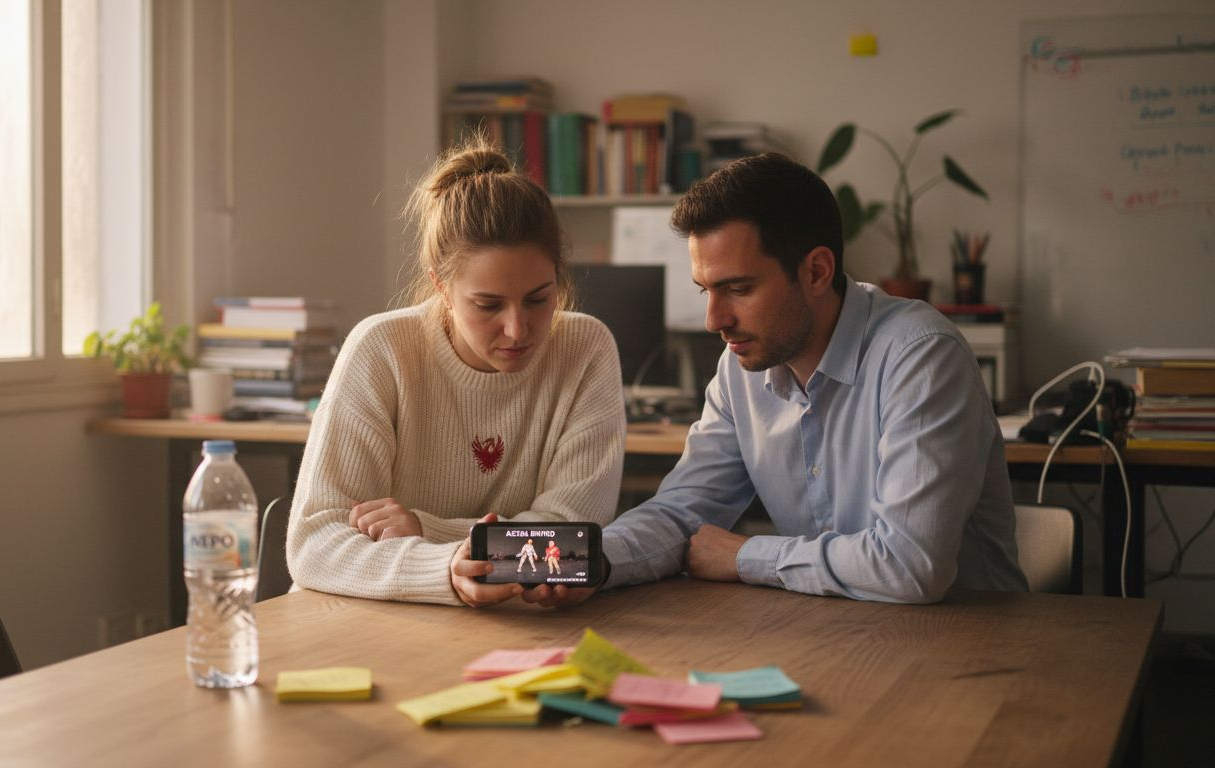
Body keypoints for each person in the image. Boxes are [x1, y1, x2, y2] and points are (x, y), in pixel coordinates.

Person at [525, 152, 1026, 608]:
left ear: (816, 272)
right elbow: (682, 514)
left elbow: (910, 566)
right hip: (832, 633)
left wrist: (744, 556)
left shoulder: (920, 356)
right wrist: (587, 562)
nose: (715, 320)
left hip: (969, 642)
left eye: (738, 288)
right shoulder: (741, 367)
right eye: (705, 290)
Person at [286, 138, 626, 607]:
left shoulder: (585, 349)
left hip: (516, 625)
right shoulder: (382, 349)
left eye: (538, 299)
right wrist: (445, 568)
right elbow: (314, 545)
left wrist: (423, 529)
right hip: (366, 621)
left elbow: (570, 543)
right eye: (488, 305)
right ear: (441, 287)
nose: (517, 329)